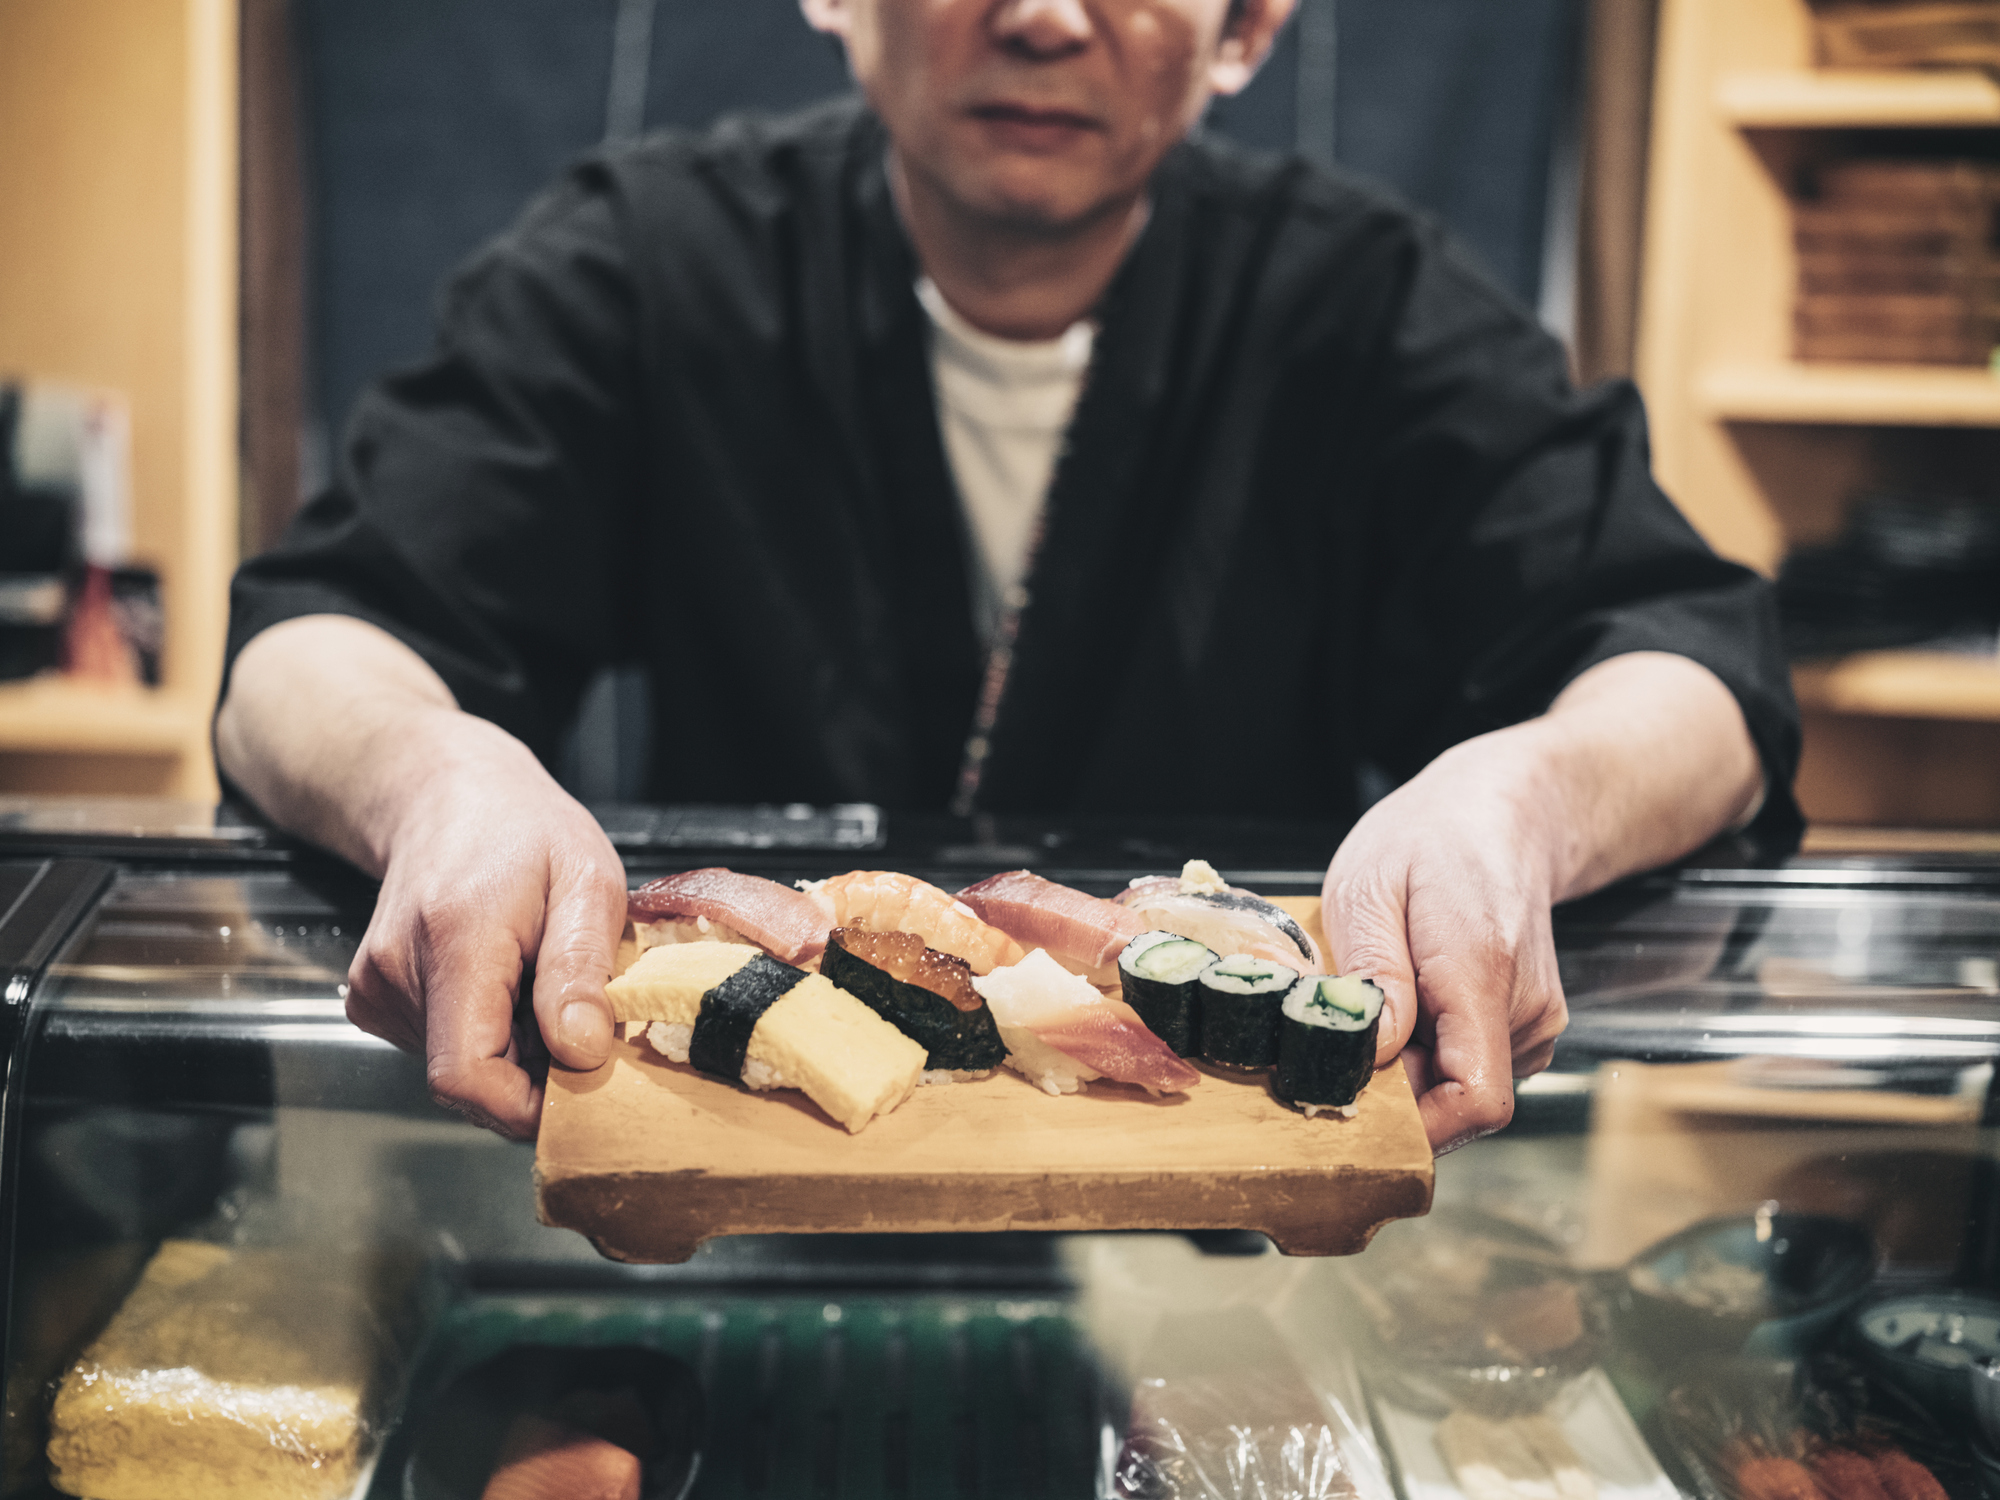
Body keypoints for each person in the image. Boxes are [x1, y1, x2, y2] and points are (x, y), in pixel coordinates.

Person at [216, 0, 1798, 1153]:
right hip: (750, 1162)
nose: (1045, 17)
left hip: (1223, 1220)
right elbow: (313, 645)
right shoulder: (647, 258)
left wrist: (1516, 800)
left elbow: (1689, 670)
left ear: (1247, 27)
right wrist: (439, 781)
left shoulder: (1365, 302)